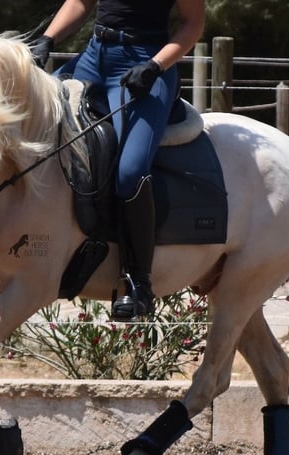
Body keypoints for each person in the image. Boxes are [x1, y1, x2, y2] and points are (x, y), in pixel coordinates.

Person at [32, 0, 205, 320]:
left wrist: (156, 66)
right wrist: (47, 40)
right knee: (31, 123)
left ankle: (139, 283)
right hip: (93, 57)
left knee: (130, 173)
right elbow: (81, 2)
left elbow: (193, 24)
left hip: (144, 64)